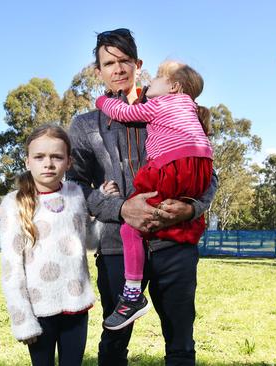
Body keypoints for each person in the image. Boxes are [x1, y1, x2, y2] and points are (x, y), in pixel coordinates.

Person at [66, 28, 218, 366]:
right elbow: (74, 186)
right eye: (109, 63)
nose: (117, 69)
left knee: (180, 342)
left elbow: (207, 173)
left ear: (138, 64)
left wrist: (191, 207)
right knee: (114, 341)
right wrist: (121, 208)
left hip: (174, 242)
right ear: (98, 71)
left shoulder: (173, 108)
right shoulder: (84, 125)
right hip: (117, 247)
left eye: (124, 61)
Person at [95, 60, 214, 330]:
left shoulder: (162, 104)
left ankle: (133, 295)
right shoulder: (194, 111)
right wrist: (192, 206)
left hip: (172, 166)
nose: (152, 81)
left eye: (159, 77)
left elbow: (123, 113)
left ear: (174, 87)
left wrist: (102, 101)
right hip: (199, 169)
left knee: (131, 229)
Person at [0, 124, 96, 366]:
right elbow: (12, 268)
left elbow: (91, 241)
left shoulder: (76, 195)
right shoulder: (13, 204)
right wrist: (23, 320)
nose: (48, 163)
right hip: (38, 310)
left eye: (57, 157)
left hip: (76, 305)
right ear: (27, 161)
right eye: (39, 156)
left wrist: (105, 206)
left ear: (69, 161)